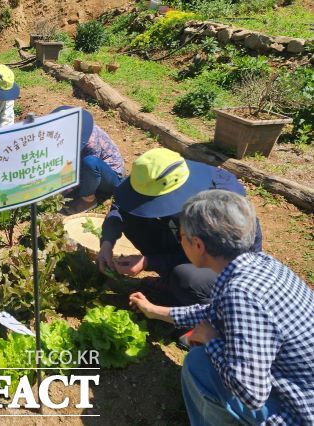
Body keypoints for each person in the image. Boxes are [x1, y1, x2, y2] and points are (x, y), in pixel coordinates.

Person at [129, 190, 314, 425]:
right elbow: (213, 312)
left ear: (198, 245)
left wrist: (211, 341)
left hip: (299, 413)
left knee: (198, 365)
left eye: (180, 235)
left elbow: (251, 394)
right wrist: (153, 310)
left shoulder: (242, 294)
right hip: (295, 382)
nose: (180, 240)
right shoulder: (259, 264)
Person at [96, 147, 262, 306]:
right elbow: (122, 206)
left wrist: (148, 262)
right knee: (134, 219)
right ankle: (170, 282)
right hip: (190, 244)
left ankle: (209, 314)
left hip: (225, 265)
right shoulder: (154, 176)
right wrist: (107, 242)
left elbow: (208, 256)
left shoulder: (218, 206)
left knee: (186, 277)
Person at [51, 106, 125, 215]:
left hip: (110, 176)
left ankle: (88, 199)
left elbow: (83, 169)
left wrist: (62, 192)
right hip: (89, 170)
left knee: (90, 163)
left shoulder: (90, 142)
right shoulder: (77, 132)